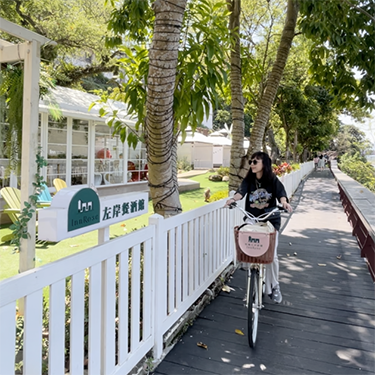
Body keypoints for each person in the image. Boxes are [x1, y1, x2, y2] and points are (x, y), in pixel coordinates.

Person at [225, 151, 293, 303]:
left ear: (264, 164)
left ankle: (274, 286)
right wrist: (232, 199)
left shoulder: (272, 180)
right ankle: (252, 287)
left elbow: (281, 193)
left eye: (255, 162)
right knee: (246, 243)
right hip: (252, 219)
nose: (252, 164)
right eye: (251, 161)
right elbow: (240, 193)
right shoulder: (249, 180)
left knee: (272, 255)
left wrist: (284, 202)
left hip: (270, 220)